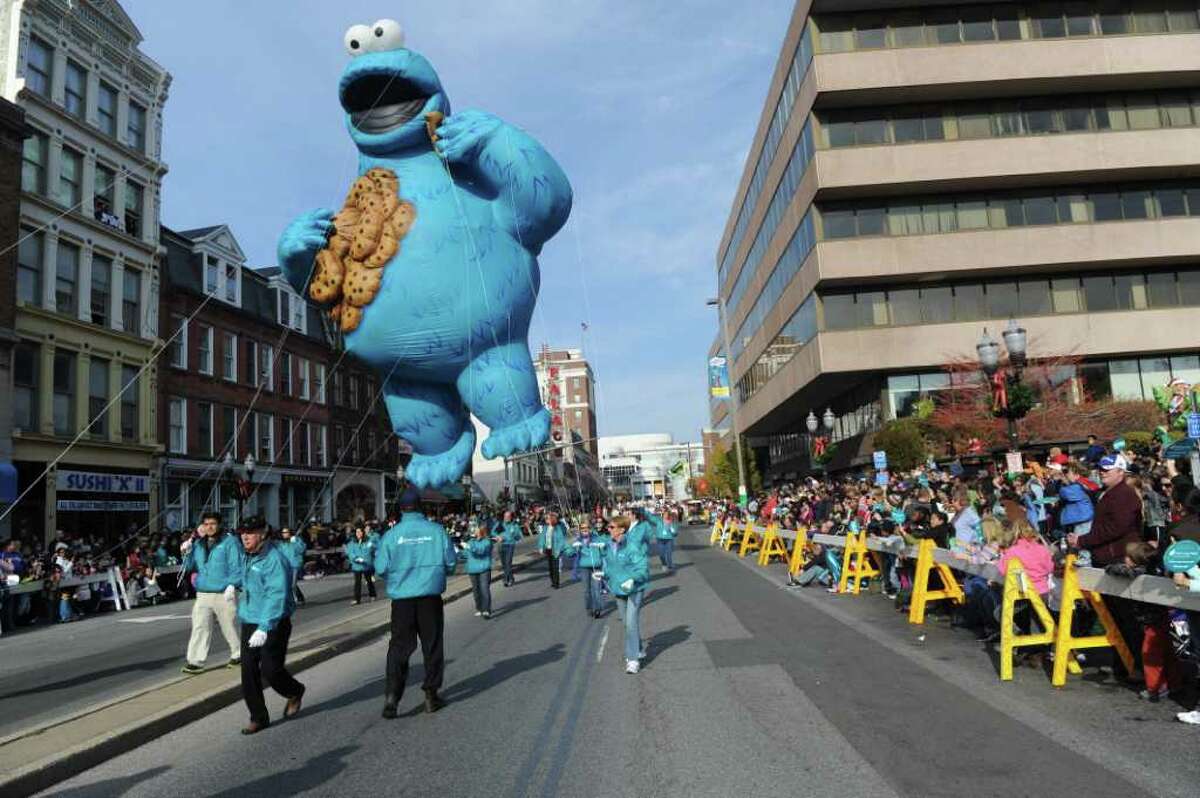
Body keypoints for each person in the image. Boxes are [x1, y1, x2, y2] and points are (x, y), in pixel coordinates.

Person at [374, 491, 457, 718]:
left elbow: (380, 568)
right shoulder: (437, 531)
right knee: (432, 646)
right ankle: (431, 694)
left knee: (399, 648)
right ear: (421, 507)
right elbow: (451, 562)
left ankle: (392, 696)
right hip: (429, 597)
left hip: (402, 600)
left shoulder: (390, 536)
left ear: (400, 509)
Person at [237, 515, 305, 735]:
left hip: (274, 622)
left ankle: (294, 691)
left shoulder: (275, 559)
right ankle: (258, 717)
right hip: (250, 619)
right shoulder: (247, 554)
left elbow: (276, 595)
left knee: (271, 670)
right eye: (243, 533)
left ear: (263, 534)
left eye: (251, 533)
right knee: (248, 670)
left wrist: (264, 627)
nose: (245, 536)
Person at [180, 512, 245, 674]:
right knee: (200, 626)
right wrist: (185, 552)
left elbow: (237, 565)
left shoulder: (230, 542)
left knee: (229, 625)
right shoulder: (198, 544)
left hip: (224, 591)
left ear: (219, 525)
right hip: (203, 592)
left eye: (213, 523)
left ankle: (239, 654)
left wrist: (233, 584)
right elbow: (189, 567)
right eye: (206, 524)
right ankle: (195, 661)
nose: (209, 527)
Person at [601, 515, 651, 674]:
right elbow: (611, 566)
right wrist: (603, 574)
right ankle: (639, 649)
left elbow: (643, 568)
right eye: (608, 527)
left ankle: (633, 659)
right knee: (626, 623)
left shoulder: (632, 545)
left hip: (634, 589)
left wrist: (633, 579)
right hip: (618, 589)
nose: (608, 529)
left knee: (630, 622)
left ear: (621, 529)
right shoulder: (609, 545)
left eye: (611, 527)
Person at [574, 519, 610, 618]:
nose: (585, 529)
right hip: (584, 567)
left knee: (596, 589)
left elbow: (605, 550)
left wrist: (603, 546)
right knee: (586, 590)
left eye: (587, 527)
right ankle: (589, 608)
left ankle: (597, 609)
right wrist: (574, 548)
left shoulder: (597, 538)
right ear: (580, 530)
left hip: (596, 567)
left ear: (590, 528)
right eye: (582, 528)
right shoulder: (578, 540)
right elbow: (570, 553)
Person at [459, 523, 495, 619]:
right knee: (476, 591)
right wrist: (458, 551)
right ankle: (479, 608)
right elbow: (467, 554)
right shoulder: (471, 541)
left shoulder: (487, 542)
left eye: (476, 530)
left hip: (484, 568)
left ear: (481, 531)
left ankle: (486, 610)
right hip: (472, 569)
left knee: (484, 589)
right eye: (473, 530)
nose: (473, 531)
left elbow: (481, 551)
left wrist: (469, 547)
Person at [345, 527, 377, 605]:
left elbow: (372, 550)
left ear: (363, 533)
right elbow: (350, 552)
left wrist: (366, 559)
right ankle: (357, 599)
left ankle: (372, 595)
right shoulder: (352, 542)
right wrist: (356, 558)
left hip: (366, 565)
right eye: (357, 532)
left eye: (360, 532)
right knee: (357, 582)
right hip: (357, 565)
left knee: (369, 581)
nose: (358, 534)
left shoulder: (368, 541)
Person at [538, 509, 569, 589]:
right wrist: (541, 547)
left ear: (552, 519)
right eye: (546, 518)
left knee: (555, 567)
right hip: (548, 549)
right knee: (550, 567)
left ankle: (556, 583)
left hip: (555, 549)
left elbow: (561, 539)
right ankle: (552, 580)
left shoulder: (558, 528)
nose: (546, 520)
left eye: (547, 518)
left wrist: (559, 550)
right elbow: (542, 537)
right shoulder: (545, 527)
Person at [279, 527, 307, 606]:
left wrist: (295, 542)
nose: (284, 534)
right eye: (283, 533)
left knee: (293, 584)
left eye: (286, 532)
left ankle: (295, 600)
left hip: (295, 564)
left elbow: (301, 550)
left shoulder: (296, 540)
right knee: (289, 583)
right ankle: (300, 597)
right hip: (286, 565)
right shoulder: (282, 544)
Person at [498, 510, 523, 587]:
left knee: (508, 563)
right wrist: (498, 537)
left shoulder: (514, 525)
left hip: (510, 545)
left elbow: (520, 536)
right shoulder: (501, 524)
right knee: (504, 564)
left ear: (511, 517)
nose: (506, 518)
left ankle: (506, 580)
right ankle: (511, 578)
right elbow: (493, 532)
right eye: (505, 516)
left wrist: (514, 535)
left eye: (508, 516)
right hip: (501, 545)